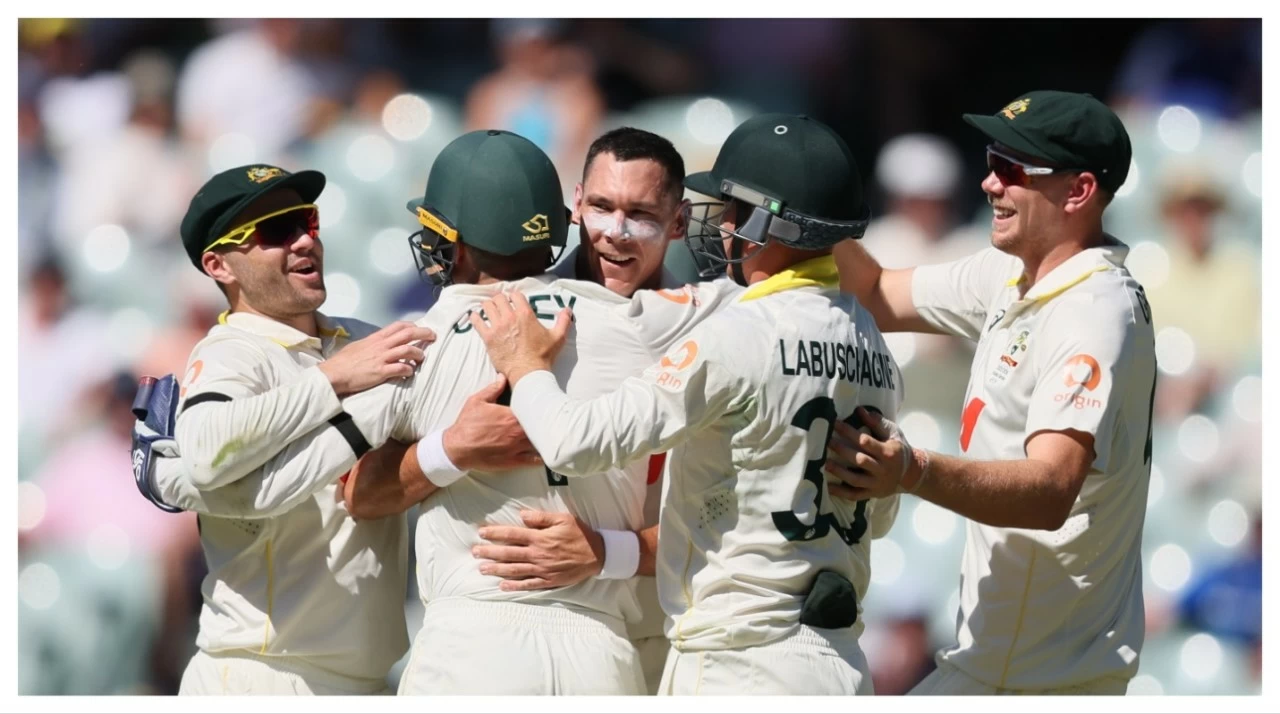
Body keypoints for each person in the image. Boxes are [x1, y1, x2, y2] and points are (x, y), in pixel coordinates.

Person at [207, 129, 741, 695]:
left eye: (640, 213)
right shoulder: (672, 322)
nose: (616, 231)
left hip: (498, 646)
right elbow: (796, 314)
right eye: (603, 208)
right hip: (604, 656)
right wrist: (454, 446)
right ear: (573, 210)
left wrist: (606, 551)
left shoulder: (422, 341)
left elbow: (353, 493)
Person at [469, 114, 905, 695]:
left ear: (761, 221)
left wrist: (523, 364)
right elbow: (880, 512)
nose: (721, 224)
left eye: (731, 210)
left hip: (737, 658)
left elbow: (574, 443)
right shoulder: (873, 344)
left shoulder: (735, 331)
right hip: (839, 662)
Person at [831, 90, 1158, 695]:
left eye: (1013, 170)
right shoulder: (1013, 273)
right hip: (997, 668)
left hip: (1045, 682)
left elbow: (1050, 490)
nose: (989, 183)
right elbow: (875, 292)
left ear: (1079, 192)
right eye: (991, 160)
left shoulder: (1093, 312)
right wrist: (806, 197)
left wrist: (911, 469)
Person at [154, 163, 435, 695]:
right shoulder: (231, 353)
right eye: (276, 231)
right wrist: (334, 380)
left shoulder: (359, 340)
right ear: (219, 265)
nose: (305, 240)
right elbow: (205, 452)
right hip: (260, 676)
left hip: (366, 680)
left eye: (307, 221)